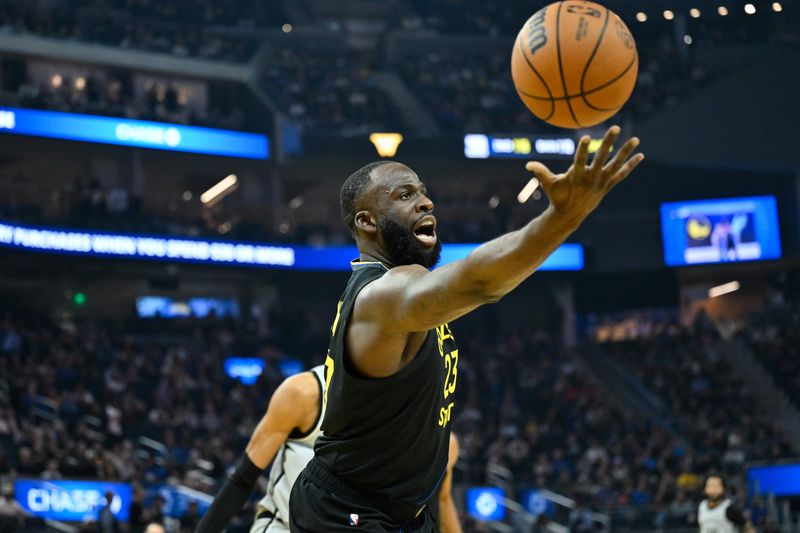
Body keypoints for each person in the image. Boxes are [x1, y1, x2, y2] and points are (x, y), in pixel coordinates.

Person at [289, 126, 644, 532]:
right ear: (367, 222)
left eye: (422, 191)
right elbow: (479, 281)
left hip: (395, 507)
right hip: (345, 509)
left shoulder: (402, 290)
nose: (425, 201)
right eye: (404, 195)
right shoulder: (382, 293)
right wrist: (562, 218)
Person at [196, 365, 464, 532]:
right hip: (284, 526)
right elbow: (243, 478)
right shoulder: (304, 394)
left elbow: (440, 501)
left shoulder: (430, 429)